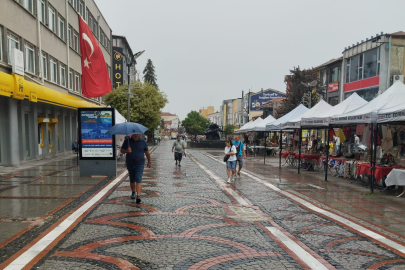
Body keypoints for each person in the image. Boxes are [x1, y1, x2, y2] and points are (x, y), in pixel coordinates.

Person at [121, 134, 152, 203]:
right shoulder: (127, 141)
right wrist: (127, 151)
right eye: (135, 134)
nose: (136, 135)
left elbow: (147, 152)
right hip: (130, 163)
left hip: (140, 163)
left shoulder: (143, 142)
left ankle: (138, 196)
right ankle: (133, 192)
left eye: (137, 134)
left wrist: (149, 161)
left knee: (138, 179)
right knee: (132, 179)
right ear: (132, 134)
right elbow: (122, 150)